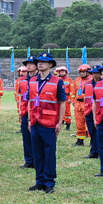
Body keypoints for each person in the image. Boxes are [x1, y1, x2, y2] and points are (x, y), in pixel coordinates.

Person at [28, 52, 66, 193]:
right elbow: (30, 101)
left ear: (50, 65)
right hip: (35, 121)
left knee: (49, 153)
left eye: (44, 62)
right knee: (37, 153)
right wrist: (28, 119)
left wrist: (60, 122)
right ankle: (39, 181)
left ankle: (49, 182)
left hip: (50, 122)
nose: (40, 63)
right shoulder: (32, 81)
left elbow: (62, 102)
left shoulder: (57, 82)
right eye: (38, 61)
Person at [14, 60, 35, 168]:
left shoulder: (39, 80)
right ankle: (29, 160)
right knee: (26, 137)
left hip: (36, 112)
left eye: (31, 64)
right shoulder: (22, 81)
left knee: (36, 138)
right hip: (25, 112)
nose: (28, 66)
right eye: (27, 64)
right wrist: (21, 111)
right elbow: (21, 96)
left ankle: (37, 160)